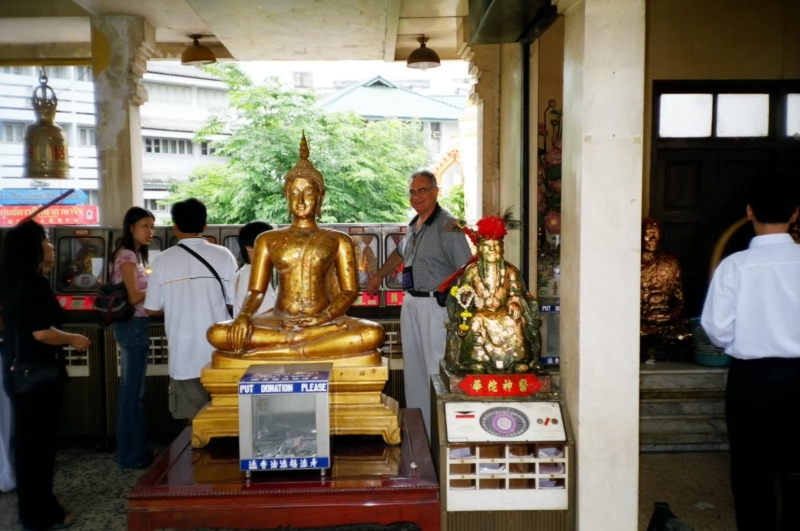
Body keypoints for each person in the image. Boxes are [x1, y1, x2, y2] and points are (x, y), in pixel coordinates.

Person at [207, 136, 384, 358]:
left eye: (308, 193)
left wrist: (324, 317)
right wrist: (244, 316)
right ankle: (301, 344)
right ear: (286, 196)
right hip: (280, 321)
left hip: (323, 321)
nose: (300, 201)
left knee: (372, 333)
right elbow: (256, 290)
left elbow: (349, 291)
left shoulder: (338, 240)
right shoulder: (267, 239)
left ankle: (288, 347)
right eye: (294, 193)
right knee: (218, 333)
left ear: (321, 197)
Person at [700, 178, 799, 531]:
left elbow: (716, 328)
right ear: (796, 213)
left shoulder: (735, 266)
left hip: (752, 379)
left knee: (751, 469)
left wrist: (751, 338)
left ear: (749, 212)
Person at [366, 170, 472, 437]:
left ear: (436, 192)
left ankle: (443, 433)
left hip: (435, 308)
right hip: (411, 303)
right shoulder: (414, 225)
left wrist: (458, 306)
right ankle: (420, 431)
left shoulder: (448, 226)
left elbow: (466, 268)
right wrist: (378, 275)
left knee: (435, 367)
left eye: (422, 190)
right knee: (414, 369)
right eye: (412, 192)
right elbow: (399, 254)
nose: (416, 197)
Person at [0, 220, 91, 531]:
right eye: (47, 240)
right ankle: (41, 513)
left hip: (17, 371)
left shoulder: (14, 282)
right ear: (33, 248)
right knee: (38, 447)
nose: (52, 246)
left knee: (28, 445)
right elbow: (41, 332)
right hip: (37, 376)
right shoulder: (33, 284)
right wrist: (73, 339)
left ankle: (36, 509)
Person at [144, 199, 237, 420]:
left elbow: (151, 309)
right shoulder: (224, 255)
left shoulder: (161, 261)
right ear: (205, 225)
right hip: (218, 357)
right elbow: (235, 302)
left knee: (193, 428)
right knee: (224, 422)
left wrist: (178, 304)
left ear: (175, 226)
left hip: (183, 357)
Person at [109, 207, 155, 469]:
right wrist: (157, 281)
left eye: (152, 226)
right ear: (131, 227)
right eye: (145, 226)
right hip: (132, 327)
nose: (150, 231)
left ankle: (137, 451)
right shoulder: (126, 256)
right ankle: (131, 456)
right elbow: (134, 296)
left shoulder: (134, 256)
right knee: (131, 393)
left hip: (135, 325)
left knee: (133, 392)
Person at [233, 221, 276, 317]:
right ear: (249, 247)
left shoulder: (243, 272)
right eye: (268, 243)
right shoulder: (255, 276)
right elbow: (269, 315)